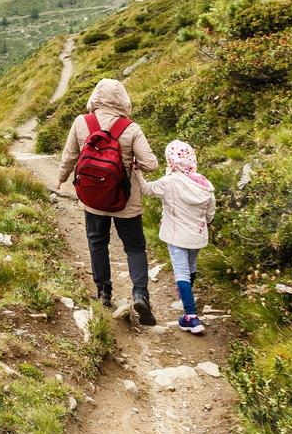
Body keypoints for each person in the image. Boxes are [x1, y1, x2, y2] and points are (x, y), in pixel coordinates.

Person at [57, 78, 159, 325]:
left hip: (92, 199)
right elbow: (151, 164)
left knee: (97, 242)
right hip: (126, 201)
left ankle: (103, 292)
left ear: (95, 97)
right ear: (124, 100)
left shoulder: (82, 122)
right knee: (134, 247)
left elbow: (70, 156)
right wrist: (131, 162)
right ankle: (140, 294)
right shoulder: (131, 128)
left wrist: (60, 178)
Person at [140, 140, 216, 334]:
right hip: (197, 235)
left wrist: (136, 173)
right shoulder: (205, 183)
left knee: (181, 272)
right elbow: (210, 214)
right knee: (190, 268)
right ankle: (186, 297)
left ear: (170, 160)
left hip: (176, 236)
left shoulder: (170, 181)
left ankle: (190, 315)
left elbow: (147, 189)